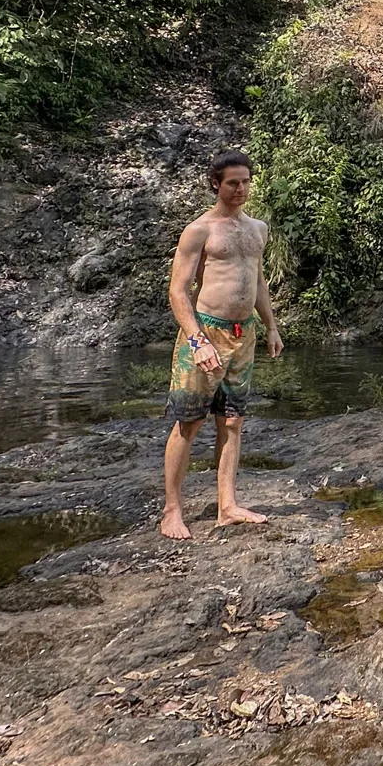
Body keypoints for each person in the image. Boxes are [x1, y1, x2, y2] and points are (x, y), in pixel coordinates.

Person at [159, 151, 284, 540]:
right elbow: (178, 292)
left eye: (246, 181)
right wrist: (197, 341)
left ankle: (227, 505)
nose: (241, 189)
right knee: (189, 423)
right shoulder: (200, 230)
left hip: (242, 334)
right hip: (205, 332)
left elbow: (258, 280)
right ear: (216, 183)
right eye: (233, 182)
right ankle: (172, 510)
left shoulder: (258, 228)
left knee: (232, 422)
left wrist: (271, 326)